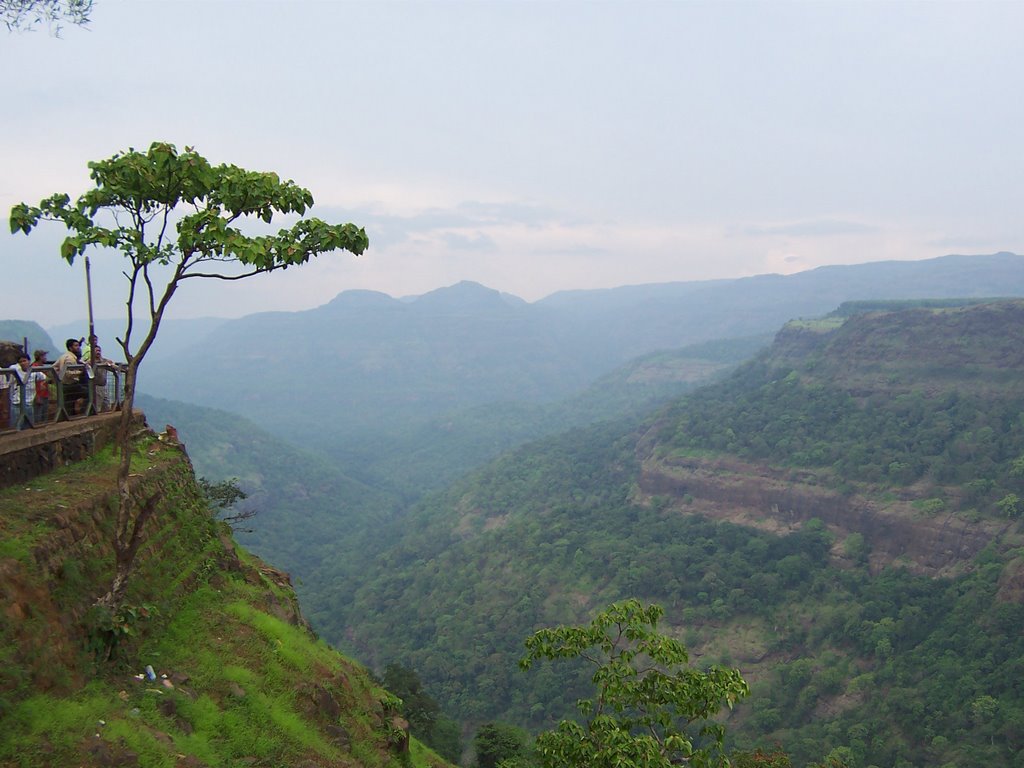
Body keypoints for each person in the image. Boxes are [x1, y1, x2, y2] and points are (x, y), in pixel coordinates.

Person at [7, 353, 45, 429]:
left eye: (24, 361)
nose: (23, 363)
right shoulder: (15, 370)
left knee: (28, 426)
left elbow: (44, 377)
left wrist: (41, 385)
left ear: (29, 361)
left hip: (29, 403)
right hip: (16, 402)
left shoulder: (34, 371)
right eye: (20, 362)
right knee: (16, 427)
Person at [54, 338, 86, 416]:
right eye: (76, 346)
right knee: (89, 393)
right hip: (71, 384)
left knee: (69, 402)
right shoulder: (70, 359)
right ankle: (85, 412)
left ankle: (69, 416)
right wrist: (81, 372)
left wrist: (57, 377)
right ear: (70, 348)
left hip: (63, 384)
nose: (78, 347)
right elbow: (69, 373)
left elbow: (54, 368)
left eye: (78, 345)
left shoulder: (63, 356)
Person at [91, 344, 114, 412]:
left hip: (104, 386)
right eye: (96, 351)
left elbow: (112, 364)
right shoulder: (90, 362)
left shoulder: (104, 361)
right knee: (97, 406)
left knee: (106, 405)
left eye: (99, 350)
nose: (98, 352)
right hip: (96, 386)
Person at [31, 349, 51, 425]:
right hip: (39, 395)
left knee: (44, 415)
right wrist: (37, 396)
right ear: (40, 357)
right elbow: (34, 383)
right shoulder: (34, 368)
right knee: (38, 416)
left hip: (45, 394)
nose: (45, 358)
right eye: (44, 356)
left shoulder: (42, 367)